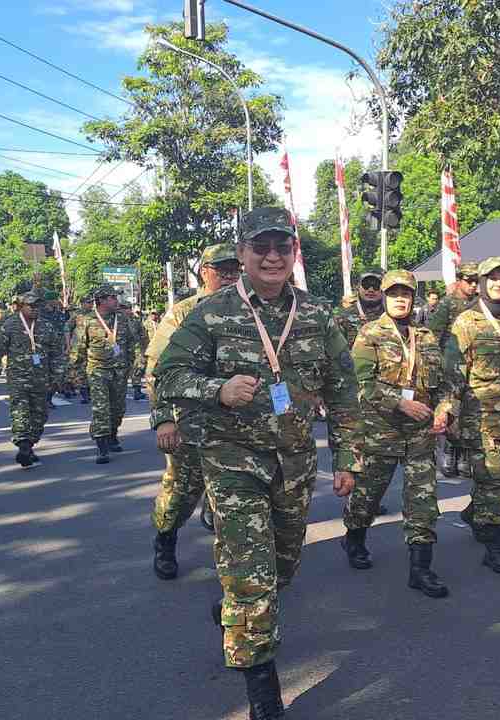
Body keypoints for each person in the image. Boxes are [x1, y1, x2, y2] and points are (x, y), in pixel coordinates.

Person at [153, 207, 360, 719]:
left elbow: (343, 392)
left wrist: (347, 457)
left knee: (283, 566)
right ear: (242, 254)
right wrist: (215, 390)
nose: (272, 257)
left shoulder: (316, 316)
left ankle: (238, 612)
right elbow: (167, 374)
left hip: (294, 464)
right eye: (260, 248)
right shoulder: (212, 313)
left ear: (293, 254)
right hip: (231, 462)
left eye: (281, 248)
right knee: (252, 573)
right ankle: (263, 691)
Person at [341, 269, 452, 598]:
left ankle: (421, 569)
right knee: (367, 497)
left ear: (413, 297)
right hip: (381, 431)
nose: (400, 298)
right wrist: (398, 404)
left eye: (405, 293)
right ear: (386, 298)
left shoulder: (427, 338)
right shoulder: (369, 334)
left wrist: (446, 408)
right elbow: (359, 383)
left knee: (423, 501)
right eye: (393, 293)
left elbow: (445, 384)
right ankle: (354, 537)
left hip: (420, 434)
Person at [149, 243, 240, 579]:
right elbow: (157, 371)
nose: (230, 276)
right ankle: (165, 540)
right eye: (222, 270)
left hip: (240, 426)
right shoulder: (183, 313)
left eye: (235, 269)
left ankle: (236, 576)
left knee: (235, 497)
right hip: (191, 422)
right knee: (181, 492)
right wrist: (163, 420)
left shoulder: (252, 309)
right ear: (204, 272)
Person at [445, 256, 500, 576]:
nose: (499, 283)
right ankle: (494, 545)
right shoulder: (467, 322)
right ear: (481, 283)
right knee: (492, 479)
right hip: (481, 416)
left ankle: (474, 510)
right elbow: (454, 370)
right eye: (492, 278)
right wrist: (449, 410)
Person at [0, 290, 66, 467]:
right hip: (18, 379)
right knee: (20, 413)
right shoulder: (10, 325)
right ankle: (23, 445)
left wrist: (58, 377)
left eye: (38, 306)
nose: (36, 309)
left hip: (42, 379)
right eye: (31, 306)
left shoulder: (46, 326)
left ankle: (29, 445)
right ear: (21, 307)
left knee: (40, 415)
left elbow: (57, 353)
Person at [428, 262, 480, 478]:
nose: (473, 285)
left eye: (477, 281)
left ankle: (464, 455)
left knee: (469, 411)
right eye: (469, 280)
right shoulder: (447, 304)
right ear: (459, 280)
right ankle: (450, 450)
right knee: (452, 410)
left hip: (473, 364)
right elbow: (433, 335)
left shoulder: (479, 304)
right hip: (450, 364)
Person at [71, 287, 132, 464]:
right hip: (97, 370)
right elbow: (78, 348)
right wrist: (74, 373)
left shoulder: (122, 318)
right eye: (112, 297)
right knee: (101, 408)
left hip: (119, 370)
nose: (116, 301)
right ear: (101, 300)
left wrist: (135, 364)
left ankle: (112, 434)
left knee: (118, 408)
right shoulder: (87, 320)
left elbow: (130, 343)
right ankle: (101, 445)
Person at [334, 272, 385, 344]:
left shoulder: (393, 316)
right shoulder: (343, 317)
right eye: (366, 285)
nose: (371, 290)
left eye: (376, 285)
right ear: (358, 287)